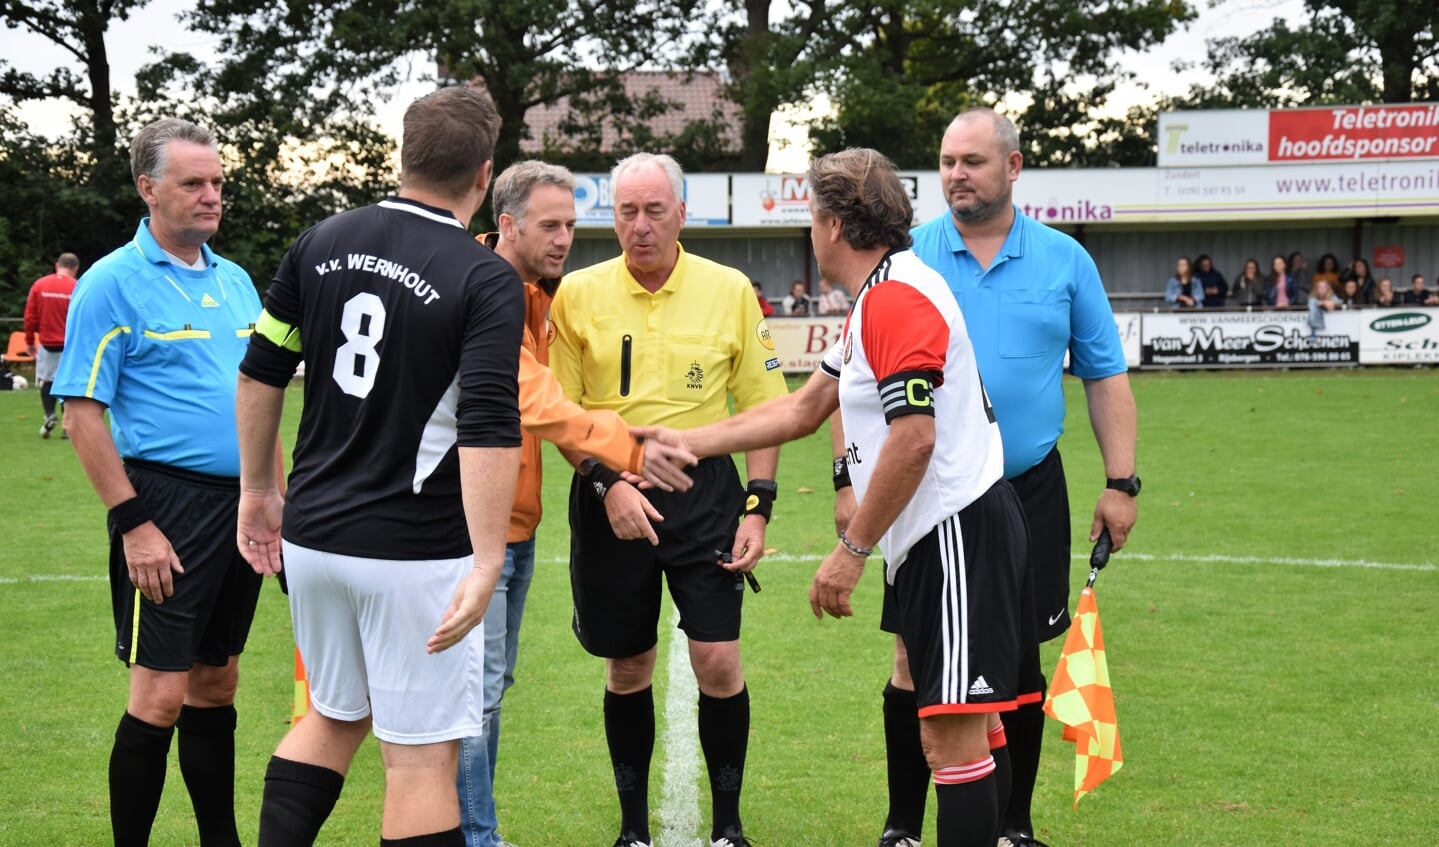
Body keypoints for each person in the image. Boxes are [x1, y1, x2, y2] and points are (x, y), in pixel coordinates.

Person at [638, 148, 1030, 847]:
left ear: (834, 226)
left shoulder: (894, 297)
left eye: (812, 216)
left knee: (954, 744)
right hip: (938, 536)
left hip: (956, 534)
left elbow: (913, 438)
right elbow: (800, 411)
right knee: (974, 729)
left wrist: (849, 551)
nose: (808, 229)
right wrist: (686, 443)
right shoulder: (873, 297)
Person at [235, 85, 525, 847]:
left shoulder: (318, 240)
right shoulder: (484, 273)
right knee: (420, 763)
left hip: (315, 538)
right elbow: (491, 424)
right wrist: (490, 557)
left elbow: (260, 369)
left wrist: (258, 490)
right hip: (413, 552)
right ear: (483, 174)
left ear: (405, 155)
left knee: (332, 716)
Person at [901, 107, 1139, 847]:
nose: (954, 175)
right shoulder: (908, 257)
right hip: (931, 491)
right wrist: (848, 478)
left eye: (970, 161)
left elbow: (1103, 373)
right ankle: (902, 825)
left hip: (1029, 485)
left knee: (1022, 654)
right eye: (945, 161)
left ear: (1013, 165)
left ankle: (1014, 825)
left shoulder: (1065, 259)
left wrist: (1120, 481)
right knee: (915, 656)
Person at [547, 152, 787, 847]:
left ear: (682, 213)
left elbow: (765, 407)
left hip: (704, 493)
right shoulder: (577, 294)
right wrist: (608, 483)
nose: (641, 225)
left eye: (655, 210)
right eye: (627, 211)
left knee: (717, 660)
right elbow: (557, 411)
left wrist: (757, 504)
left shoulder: (728, 288)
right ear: (612, 216)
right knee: (628, 664)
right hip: (608, 493)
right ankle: (631, 830)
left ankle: (729, 826)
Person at [458, 160, 698, 847]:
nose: (566, 238)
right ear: (507, 224)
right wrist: (627, 451)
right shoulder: (486, 291)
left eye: (571, 223)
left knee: (487, 689)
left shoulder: (535, 293)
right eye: (550, 225)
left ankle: (473, 828)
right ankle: (475, 836)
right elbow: (535, 400)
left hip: (515, 522)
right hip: (474, 527)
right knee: (471, 696)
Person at [49, 118, 264, 847]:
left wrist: (270, 495)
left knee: (217, 682)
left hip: (241, 509)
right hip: (165, 507)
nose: (212, 197)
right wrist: (135, 523)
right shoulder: (112, 282)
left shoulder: (235, 279)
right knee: (160, 693)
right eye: (193, 183)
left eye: (218, 184)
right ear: (149, 188)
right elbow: (81, 415)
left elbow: (260, 395)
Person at [22, 251, 80, 438]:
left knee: (47, 380)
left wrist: (30, 341)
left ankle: (49, 414)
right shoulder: (76, 286)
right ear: (75, 269)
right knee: (68, 384)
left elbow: (30, 317)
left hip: (47, 343)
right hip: (70, 344)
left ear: (57, 265)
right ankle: (66, 427)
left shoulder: (40, 285)